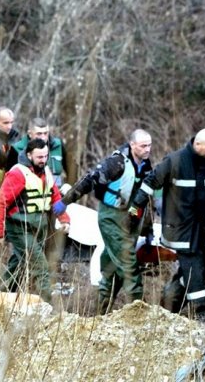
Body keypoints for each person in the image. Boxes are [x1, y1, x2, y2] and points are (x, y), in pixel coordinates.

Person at [129, 129, 205, 320]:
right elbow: (150, 183)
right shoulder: (174, 161)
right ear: (197, 145)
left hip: (201, 228)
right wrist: (134, 210)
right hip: (178, 230)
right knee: (194, 270)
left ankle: (168, 306)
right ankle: (202, 313)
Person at [62, 129, 153, 314]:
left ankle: (98, 316)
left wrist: (148, 228)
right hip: (112, 216)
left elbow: (147, 199)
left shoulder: (146, 166)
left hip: (132, 219)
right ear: (132, 144)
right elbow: (90, 180)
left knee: (112, 269)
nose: (147, 149)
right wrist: (65, 201)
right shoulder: (116, 162)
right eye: (143, 145)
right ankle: (141, 312)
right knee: (127, 262)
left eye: (149, 145)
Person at [0, 138, 70, 302]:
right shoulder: (18, 173)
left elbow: (55, 197)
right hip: (20, 229)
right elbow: (0, 202)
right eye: (39, 157)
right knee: (40, 267)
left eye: (46, 156)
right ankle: (48, 309)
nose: (43, 160)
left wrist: (64, 218)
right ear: (29, 155)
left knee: (18, 266)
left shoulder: (46, 171)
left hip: (39, 228)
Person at [13, 117, 67, 187]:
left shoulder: (57, 144)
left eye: (45, 133)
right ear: (30, 134)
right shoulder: (17, 148)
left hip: (57, 190)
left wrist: (69, 185)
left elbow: (70, 168)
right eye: (39, 134)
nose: (43, 137)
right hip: (31, 192)